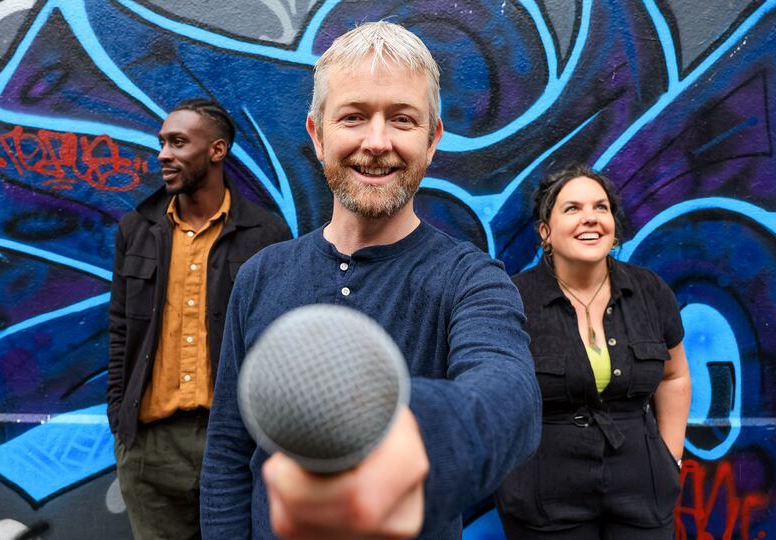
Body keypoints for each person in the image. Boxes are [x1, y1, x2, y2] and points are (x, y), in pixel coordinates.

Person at [200, 22, 541, 539]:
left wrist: (412, 432)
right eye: (353, 117)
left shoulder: (472, 280)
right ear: (317, 134)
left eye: (402, 119)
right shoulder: (260, 277)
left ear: (432, 139)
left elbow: (511, 396)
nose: (377, 142)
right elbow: (229, 450)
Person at [106, 99, 291, 539]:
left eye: (178, 143)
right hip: (151, 446)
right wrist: (119, 417)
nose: (163, 154)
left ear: (216, 150)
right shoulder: (137, 229)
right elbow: (120, 329)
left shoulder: (266, 235)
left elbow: (281, 341)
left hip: (232, 443)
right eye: (162, 143)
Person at [495, 164, 692, 539]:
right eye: (572, 208)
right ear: (545, 232)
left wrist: (671, 457)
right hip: (544, 492)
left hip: (641, 485)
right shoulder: (514, 299)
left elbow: (675, 375)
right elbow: (490, 392)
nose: (590, 218)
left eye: (601, 207)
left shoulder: (649, 291)